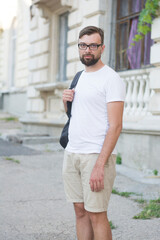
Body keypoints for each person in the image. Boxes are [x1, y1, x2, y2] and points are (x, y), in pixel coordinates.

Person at [62, 26, 125, 240]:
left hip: (95, 156)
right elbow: (75, 116)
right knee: (80, 211)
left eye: (92, 45)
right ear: (78, 47)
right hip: (72, 153)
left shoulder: (111, 79)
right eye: (83, 45)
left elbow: (115, 126)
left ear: (102, 48)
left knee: (96, 214)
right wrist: (66, 102)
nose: (87, 50)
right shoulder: (79, 77)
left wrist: (100, 165)